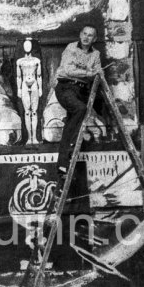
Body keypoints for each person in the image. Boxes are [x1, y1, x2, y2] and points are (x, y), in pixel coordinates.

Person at [54, 24, 103, 177]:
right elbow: (68, 70)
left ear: (94, 39)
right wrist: (89, 72)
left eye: (90, 35)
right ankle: (69, 148)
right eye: (84, 33)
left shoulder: (95, 55)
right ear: (80, 34)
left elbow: (100, 75)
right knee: (80, 109)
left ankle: (62, 165)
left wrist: (93, 74)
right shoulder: (71, 48)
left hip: (82, 91)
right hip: (65, 87)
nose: (86, 37)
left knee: (73, 120)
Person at [16, 38, 42, 144]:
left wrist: (40, 88)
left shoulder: (36, 61)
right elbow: (18, 77)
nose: (27, 47)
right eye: (25, 45)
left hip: (34, 84)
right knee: (27, 112)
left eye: (29, 45)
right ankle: (29, 138)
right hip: (24, 85)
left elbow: (39, 75)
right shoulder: (19, 62)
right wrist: (19, 89)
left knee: (34, 112)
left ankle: (34, 138)